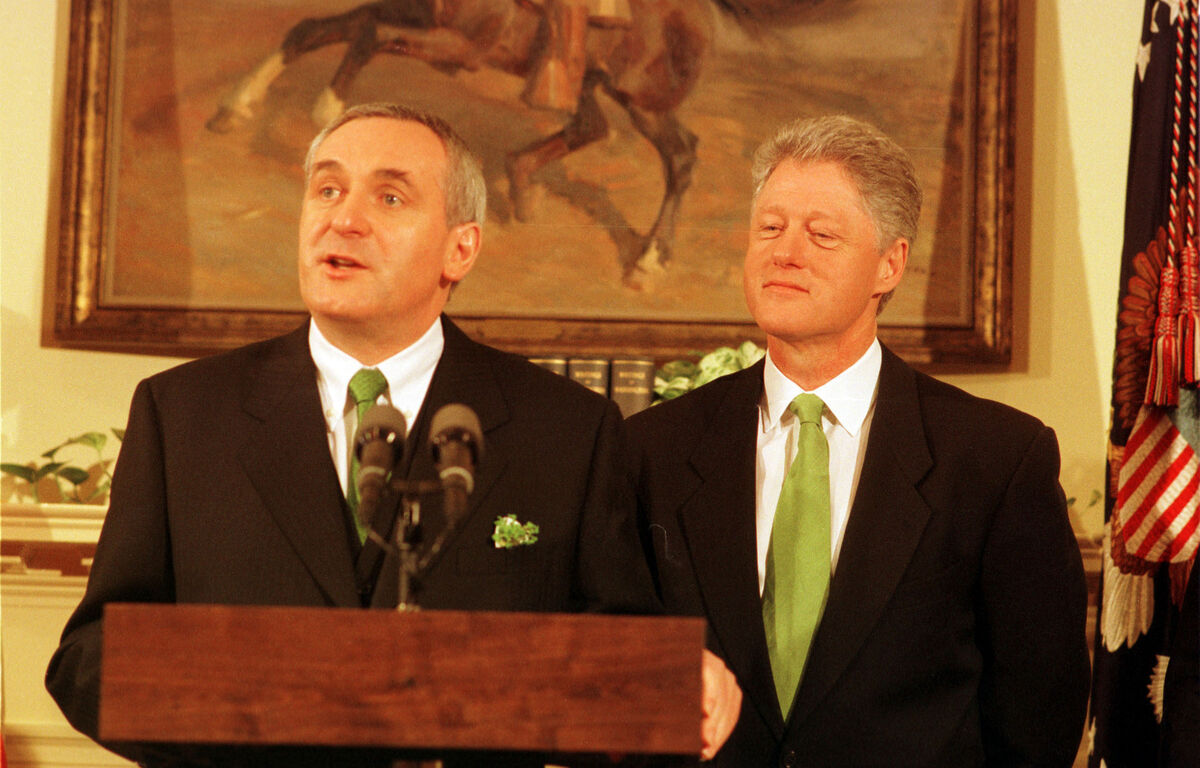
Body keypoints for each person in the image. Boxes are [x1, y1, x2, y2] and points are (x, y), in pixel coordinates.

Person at [46, 102, 737, 767]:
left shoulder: (565, 429)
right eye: (327, 190)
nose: (342, 220)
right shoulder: (184, 414)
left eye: (390, 198)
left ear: (460, 249)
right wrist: (242, 710)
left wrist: (677, 684)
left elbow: (618, 660)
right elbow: (89, 657)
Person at [626, 115, 1091, 766]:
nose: (786, 252)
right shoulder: (652, 449)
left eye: (821, 234)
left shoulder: (995, 460)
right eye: (770, 227)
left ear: (889, 264)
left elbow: (1038, 720)